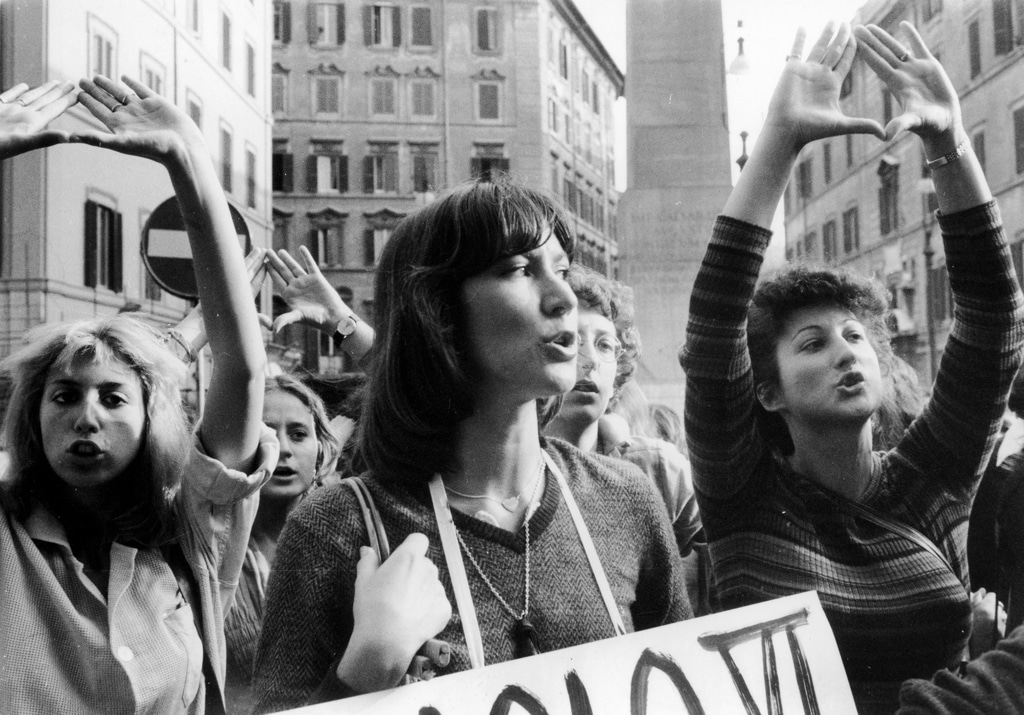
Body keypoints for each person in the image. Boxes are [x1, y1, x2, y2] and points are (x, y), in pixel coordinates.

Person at [680, 21, 1024, 712]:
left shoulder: (931, 481)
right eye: (812, 343)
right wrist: (777, 143)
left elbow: (993, 318)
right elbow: (715, 320)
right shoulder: (742, 494)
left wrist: (950, 144)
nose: (845, 349)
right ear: (767, 391)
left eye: (855, 336)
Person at [252, 176, 691, 712]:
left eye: (562, 270)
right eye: (519, 270)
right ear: (437, 310)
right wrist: (365, 669)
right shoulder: (334, 528)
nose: (564, 299)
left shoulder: (626, 499)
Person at [0, 75, 276, 713]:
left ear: (156, 416)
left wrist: (190, 161)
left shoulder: (188, 528)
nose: (86, 417)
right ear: (32, 416)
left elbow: (241, 370)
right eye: (64, 397)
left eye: (113, 399)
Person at [544, 264, 703, 561]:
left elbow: (714, 557)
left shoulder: (657, 466)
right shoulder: (514, 473)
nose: (589, 360)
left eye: (605, 345)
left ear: (619, 370)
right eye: (569, 340)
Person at [223, 374, 341, 714]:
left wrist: (342, 326)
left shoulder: (348, 532)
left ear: (321, 450)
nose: (283, 449)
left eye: (299, 434)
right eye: (266, 433)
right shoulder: (210, 544)